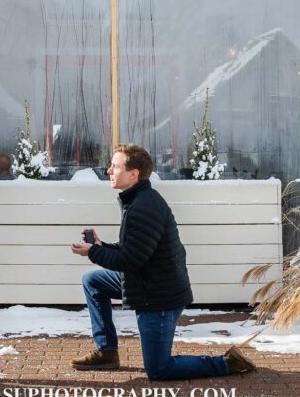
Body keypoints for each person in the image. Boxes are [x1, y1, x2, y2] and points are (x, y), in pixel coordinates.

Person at [70, 144, 256, 380]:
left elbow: (130, 259)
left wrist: (92, 253)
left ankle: (226, 363)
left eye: (115, 166)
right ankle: (107, 352)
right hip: (146, 281)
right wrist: (100, 246)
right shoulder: (136, 200)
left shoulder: (143, 206)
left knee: (159, 370)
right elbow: (135, 250)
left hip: (159, 296)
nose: (109, 171)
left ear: (133, 174)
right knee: (93, 281)